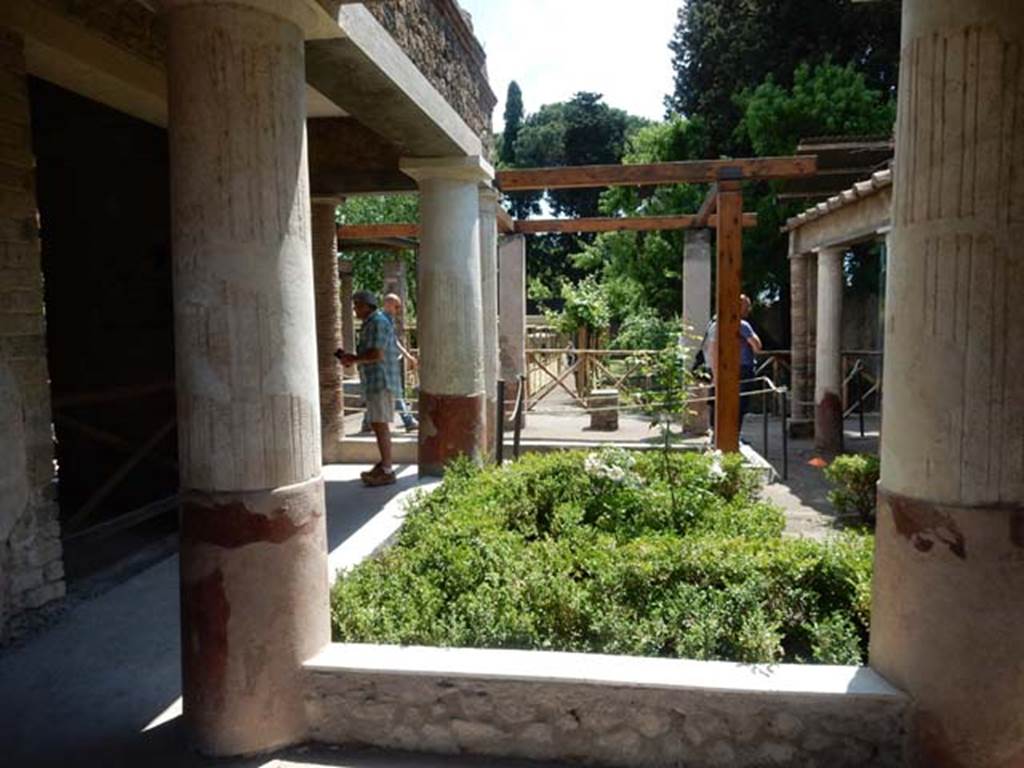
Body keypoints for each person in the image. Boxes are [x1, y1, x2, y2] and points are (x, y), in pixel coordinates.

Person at [338, 291, 400, 486]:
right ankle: (384, 465)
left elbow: (376, 354)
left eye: (357, 306)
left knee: (380, 424)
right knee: (377, 424)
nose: (355, 310)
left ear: (367, 305)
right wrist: (353, 359)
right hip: (374, 381)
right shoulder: (371, 323)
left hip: (381, 381)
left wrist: (354, 359)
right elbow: (370, 353)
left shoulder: (378, 322)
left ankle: (387, 470)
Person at [359, 292, 418, 432]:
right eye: (397, 307)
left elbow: (394, 342)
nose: (399, 310)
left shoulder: (386, 320)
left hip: (387, 366)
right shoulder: (380, 320)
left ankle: (368, 422)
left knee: (382, 396)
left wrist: (408, 356)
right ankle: (408, 421)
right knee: (389, 395)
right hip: (381, 367)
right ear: (388, 305)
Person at [704, 294, 763, 433]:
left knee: (719, 401)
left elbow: (711, 349)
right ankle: (735, 434)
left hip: (718, 367)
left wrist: (715, 372)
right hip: (742, 367)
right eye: (746, 306)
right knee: (739, 403)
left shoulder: (714, 324)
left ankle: (716, 432)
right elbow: (757, 346)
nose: (748, 309)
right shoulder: (742, 325)